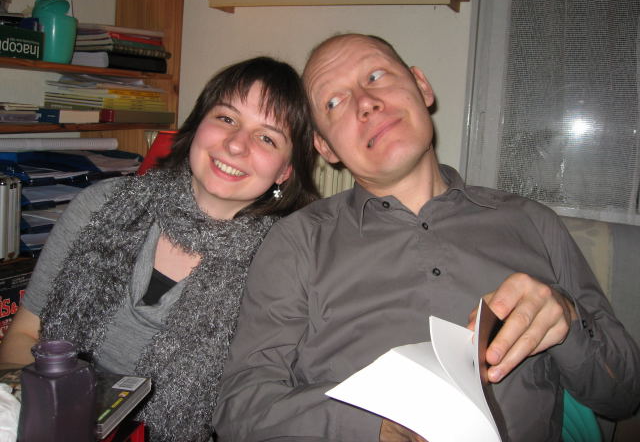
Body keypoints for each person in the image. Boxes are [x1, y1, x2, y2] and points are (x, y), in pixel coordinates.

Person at [212, 34, 640, 441]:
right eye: (335, 102)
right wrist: (373, 427)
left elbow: (624, 395)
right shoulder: (297, 242)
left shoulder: (534, 222)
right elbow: (240, 409)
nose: (366, 103)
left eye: (376, 76)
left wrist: (567, 320)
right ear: (326, 148)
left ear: (421, 87)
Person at [0, 56, 320, 442]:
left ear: (285, 170)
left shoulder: (283, 267)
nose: (236, 144)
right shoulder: (100, 205)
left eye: (267, 137)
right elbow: (24, 337)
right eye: (226, 118)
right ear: (198, 123)